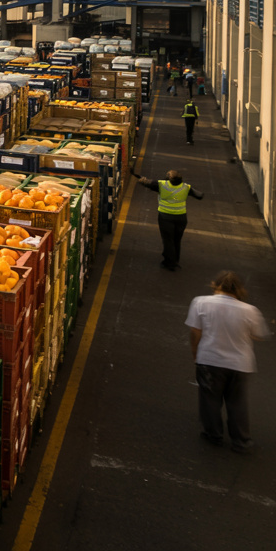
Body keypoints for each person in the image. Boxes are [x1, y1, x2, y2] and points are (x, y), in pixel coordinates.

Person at [186, 271, 270, 452]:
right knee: (237, 402)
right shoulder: (250, 310)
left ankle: (213, 435)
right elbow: (259, 335)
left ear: (215, 285)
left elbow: (195, 332)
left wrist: (195, 354)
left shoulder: (200, 302)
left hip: (210, 360)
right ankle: (241, 441)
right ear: (239, 289)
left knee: (210, 400)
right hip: (241, 364)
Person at [138, 170, 204, 270]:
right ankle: (175, 259)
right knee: (177, 239)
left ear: (168, 178)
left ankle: (170, 263)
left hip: (165, 217)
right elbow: (199, 195)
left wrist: (142, 180)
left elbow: (148, 183)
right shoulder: (186, 187)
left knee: (168, 240)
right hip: (181, 218)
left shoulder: (162, 185)